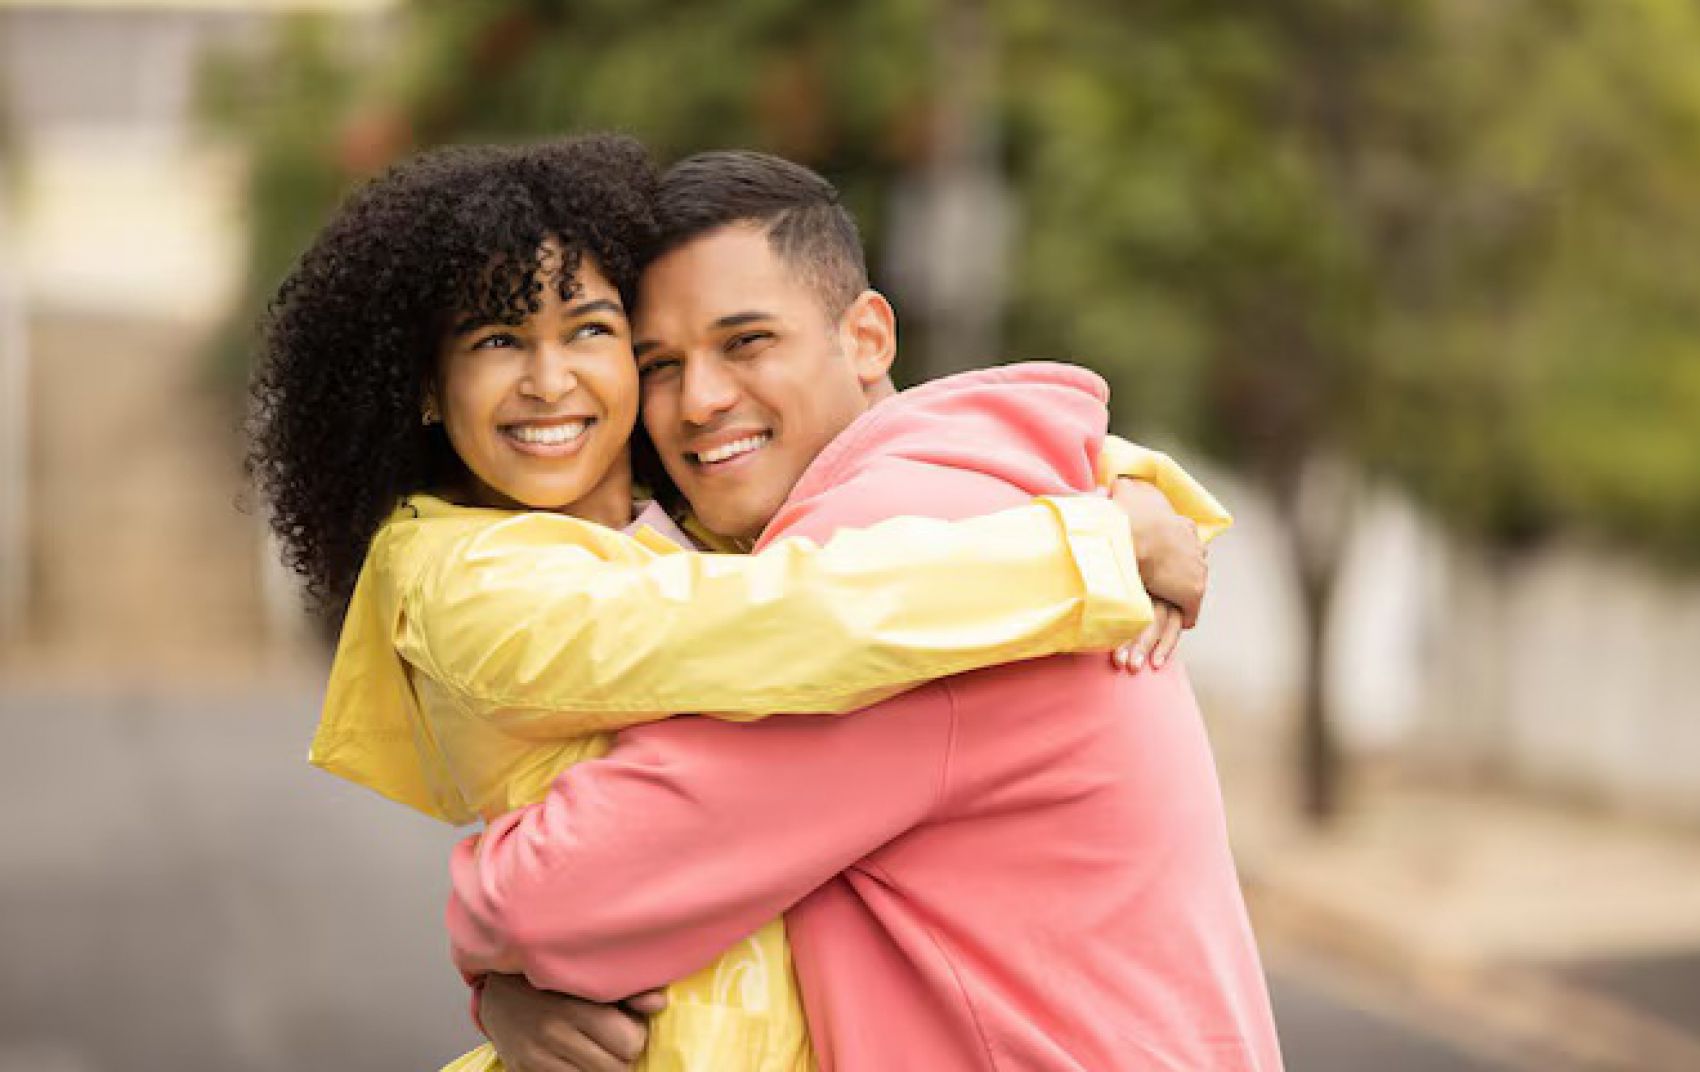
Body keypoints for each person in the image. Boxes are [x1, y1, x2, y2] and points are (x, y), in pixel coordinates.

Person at [248, 135, 1223, 1071]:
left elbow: (550, 897)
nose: (699, 400)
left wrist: (1115, 508)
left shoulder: (886, 547)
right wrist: (1107, 514)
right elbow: (757, 618)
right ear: (426, 387)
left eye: (743, 342)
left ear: (868, 335)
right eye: (661, 360)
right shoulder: (481, 574)